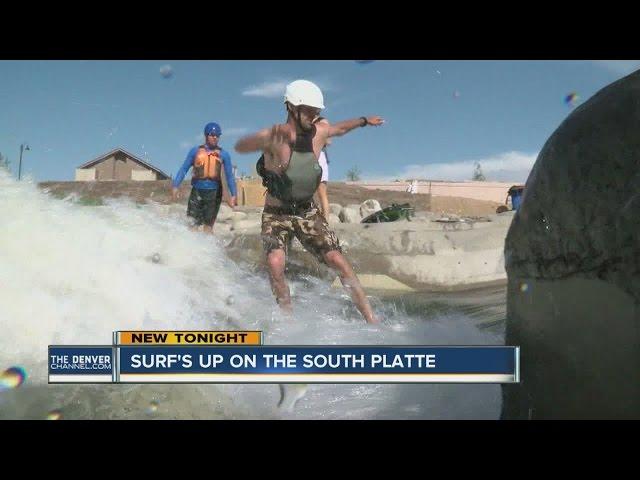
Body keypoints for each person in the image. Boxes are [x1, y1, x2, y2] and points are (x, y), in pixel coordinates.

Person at [234, 79, 384, 324]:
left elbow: (340, 129)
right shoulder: (275, 137)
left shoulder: (320, 131)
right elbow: (241, 146)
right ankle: (288, 321)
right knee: (274, 263)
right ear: (292, 108)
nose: (314, 116)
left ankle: (371, 318)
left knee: (337, 260)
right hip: (276, 214)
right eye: (309, 111)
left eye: (317, 111)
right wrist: (263, 140)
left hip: (306, 212)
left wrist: (364, 120)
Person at [171, 122, 237, 233]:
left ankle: (208, 248)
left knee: (208, 227)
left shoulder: (223, 154)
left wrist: (234, 194)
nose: (215, 137)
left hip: (213, 193)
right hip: (197, 191)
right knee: (192, 225)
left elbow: (230, 176)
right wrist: (175, 185)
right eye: (212, 135)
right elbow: (184, 169)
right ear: (206, 135)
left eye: (217, 135)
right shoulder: (195, 151)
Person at [314, 117, 331, 217]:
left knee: (321, 192)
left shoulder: (322, 121)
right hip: (308, 156)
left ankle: (326, 222)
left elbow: (328, 141)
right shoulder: (304, 119)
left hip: (320, 156)